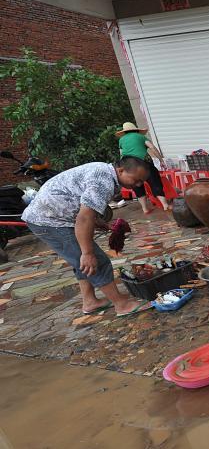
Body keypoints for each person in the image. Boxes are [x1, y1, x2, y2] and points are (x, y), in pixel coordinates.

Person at [21, 157, 153, 317]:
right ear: (121, 171)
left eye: (142, 182)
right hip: (49, 220)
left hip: (51, 216)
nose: (138, 185)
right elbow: (83, 219)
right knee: (95, 260)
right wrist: (87, 253)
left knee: (81, 262)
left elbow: (82, 203)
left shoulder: (104, 171)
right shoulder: (103, 181)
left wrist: (96, 221)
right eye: (136, 180)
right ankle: (122, 305)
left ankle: (90, 302)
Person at [116, 122, 169, 214]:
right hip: (143, 163)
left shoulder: (121, 140)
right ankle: (165, 205)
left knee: (137, 185)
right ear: (136, 130)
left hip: (128, 165)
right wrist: (161, 160)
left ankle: (145, 209)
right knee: (155, 182)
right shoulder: (141, 137)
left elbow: (121, 154)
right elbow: (152, 147)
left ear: (125, 132)